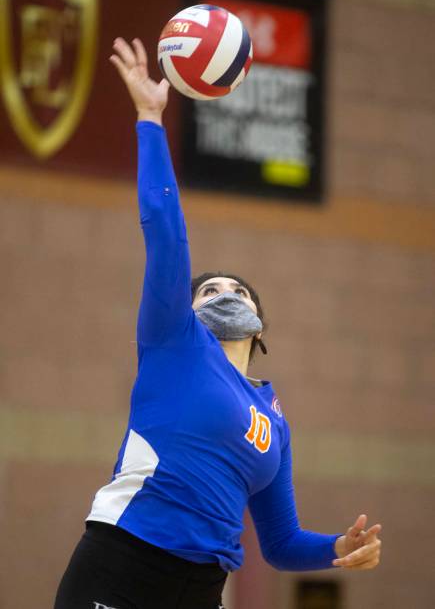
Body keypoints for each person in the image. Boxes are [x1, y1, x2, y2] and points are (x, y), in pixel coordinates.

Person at [54, 38, 382, 609]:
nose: (224, 293)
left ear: (259, 327)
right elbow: (164, 230)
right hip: (125, 560)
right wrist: (150, 120)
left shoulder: (273, 421)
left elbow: (280, 543)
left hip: (203, 589)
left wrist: (338, 547)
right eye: (209, 289)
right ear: (192, 311)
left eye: (238, 290)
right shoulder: (173, 341)